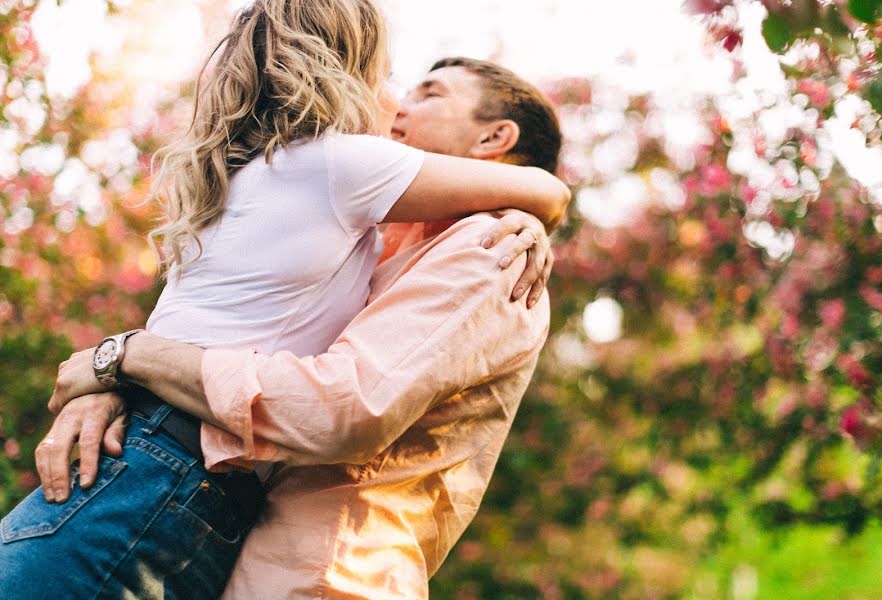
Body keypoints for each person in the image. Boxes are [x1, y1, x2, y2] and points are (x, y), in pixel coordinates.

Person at [0, 0, 568, 596]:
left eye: (428, 95)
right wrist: (119, 378)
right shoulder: (357, 215)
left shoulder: (490, 249)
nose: (399, 101)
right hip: (187, 499)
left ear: (495, 137)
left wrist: (126, 359)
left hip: (324, 571)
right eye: (393, 78)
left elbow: (343, 408)